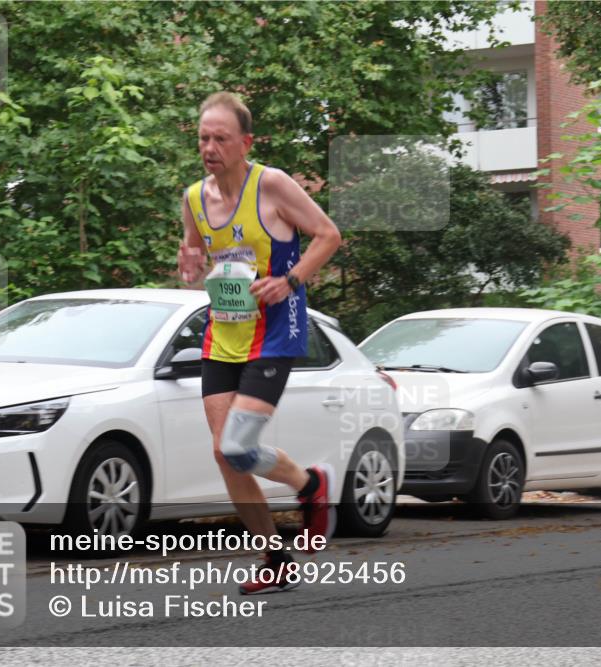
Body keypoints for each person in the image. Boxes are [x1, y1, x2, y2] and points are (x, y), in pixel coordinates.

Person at [177, 92, 343, 595]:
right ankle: (275, 558)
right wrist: (189, 265)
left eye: (221, 138)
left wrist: (289, 281)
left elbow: (328, 235)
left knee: (237, 445)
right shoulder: (193, 198)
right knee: (224, 453)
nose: (210, 147)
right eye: (203, 138)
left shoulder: (271, 185)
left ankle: (311, 484)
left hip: (274, 333)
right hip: (223, 333)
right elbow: (193, 255)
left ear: (245, 143)